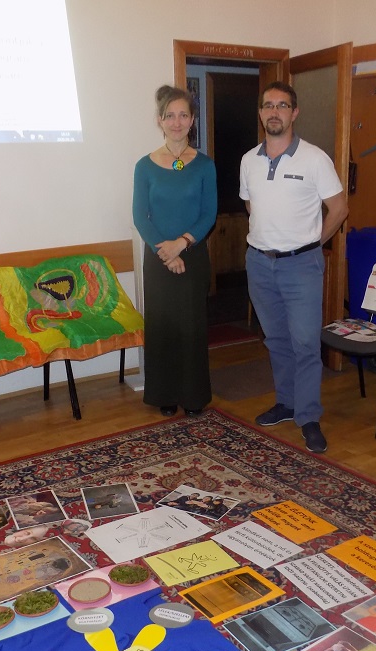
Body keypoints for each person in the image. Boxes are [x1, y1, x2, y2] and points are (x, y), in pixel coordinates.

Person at [239, 81, 348, 453]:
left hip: (301, 265)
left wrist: (313, 242)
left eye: (282, 105)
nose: (274, 112)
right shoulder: (248, 160)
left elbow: (339, 209)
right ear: (260, 113)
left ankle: (309, 416)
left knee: (305, 343)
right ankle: (286, 403)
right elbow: (251, 205)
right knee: (276, 340)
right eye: (268, 105)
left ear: (294, 112)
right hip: (259, 263)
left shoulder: (315, 159)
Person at [133, 84, 218, 418]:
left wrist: (181, 244)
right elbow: (140, 216)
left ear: (192, 119)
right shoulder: (144, 166)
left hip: (192, 256)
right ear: (160, 120)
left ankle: (193, 396)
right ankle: (165, 394)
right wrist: (165, 253)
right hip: (158, 260)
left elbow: (208, 214)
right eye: (170, 115)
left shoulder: (205, 165)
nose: (177, 122)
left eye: (183, 115)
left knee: (192, 327)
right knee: (163, 327)